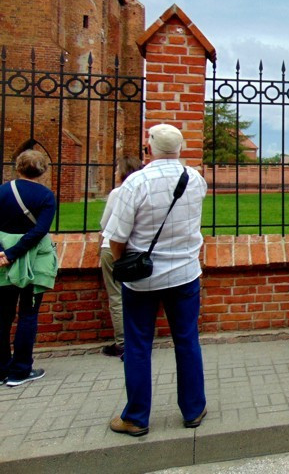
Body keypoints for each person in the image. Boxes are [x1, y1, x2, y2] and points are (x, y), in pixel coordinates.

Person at [104, 124, 208, 437]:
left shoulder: (135, 183)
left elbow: (117, 238)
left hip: (143, 279)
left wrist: (123, 261)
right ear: (181, 149)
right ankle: (193, 409)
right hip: (185, 272)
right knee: (187, 340)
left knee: (138, 345)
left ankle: (136, 416)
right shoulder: (195, 179)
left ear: (149, 149)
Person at [0, 150, 57, 387]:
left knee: (3, 315)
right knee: (28, 314)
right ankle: (21, 369)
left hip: (2, 258)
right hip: (34, 260)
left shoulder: (2, 191)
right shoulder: (46, 196)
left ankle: (2, 368)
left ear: (18, 167)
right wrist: (15, 252)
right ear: (43, 170)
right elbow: (39, 231)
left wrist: (5, 252)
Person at [98, 156, 143, 359]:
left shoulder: (118, 192)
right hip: (137, 250)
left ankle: (123, 343)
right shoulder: (144, 190)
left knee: (117, 296)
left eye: (117, 169)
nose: (115, 172)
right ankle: (140, 340)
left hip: (112, 247)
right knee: (138, 295)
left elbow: (105, 222)